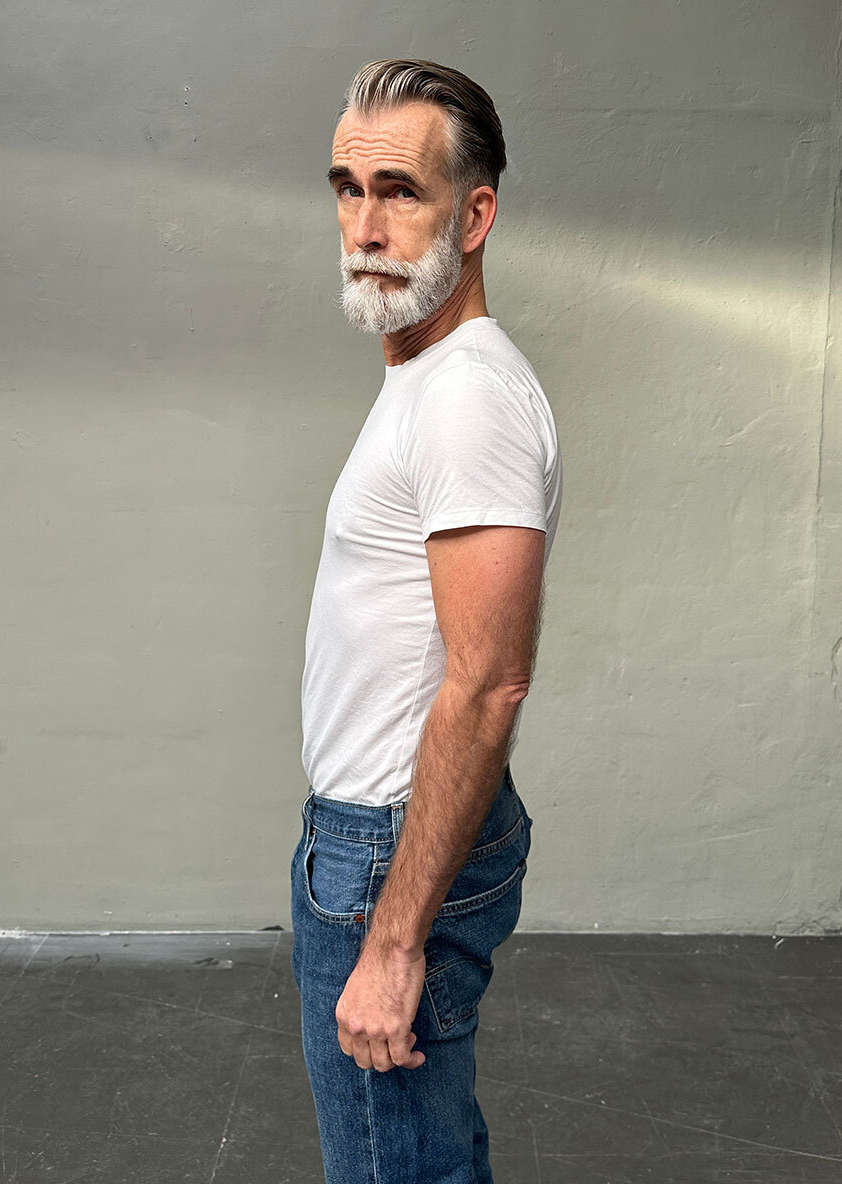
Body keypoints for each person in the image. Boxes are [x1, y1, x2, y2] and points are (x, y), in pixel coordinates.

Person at [290, 58, 562, 1183]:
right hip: (373, 838)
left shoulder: (465, 398)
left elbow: (490, 680)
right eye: (347, 189)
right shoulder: (425, 374)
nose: (364, 226)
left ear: (475, 215)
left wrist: (395, 938)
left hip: (386, 857)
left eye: (399, 191)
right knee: (423, 1153)